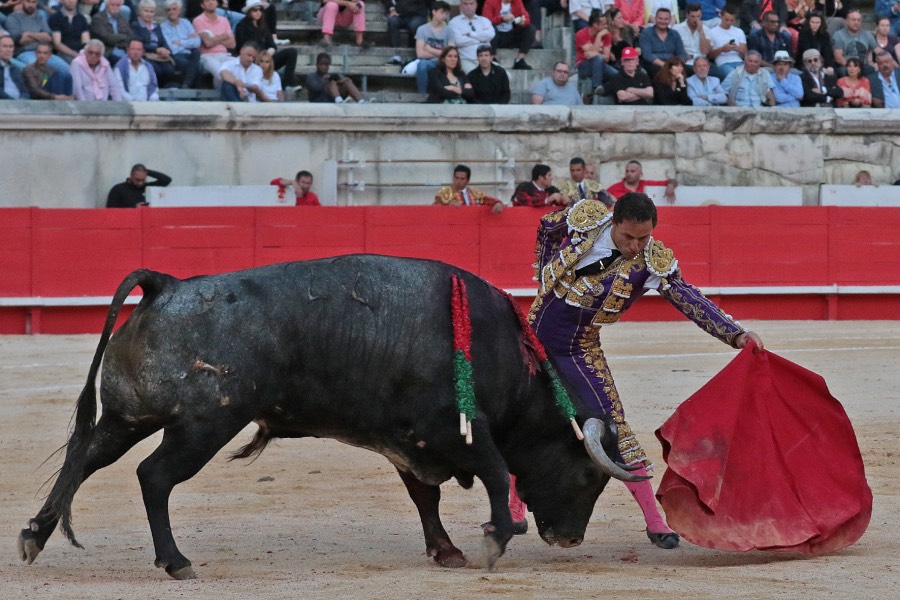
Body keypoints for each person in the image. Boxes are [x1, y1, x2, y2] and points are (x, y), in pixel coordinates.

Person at [520, 192, 763, 549]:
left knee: (614, 427)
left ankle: (653, 521)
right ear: (613, 222)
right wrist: (543, 276)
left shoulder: (652, 262)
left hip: (577, 350)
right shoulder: (586, 220)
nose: (636, 245)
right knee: (518, 421)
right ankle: (512, 511)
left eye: (643, 237)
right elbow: (546, 226)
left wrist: (735, 333)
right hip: (529, 340)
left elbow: (688, 298)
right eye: (628, 237)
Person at [235, 0, 298, 89]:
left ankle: (287, 84)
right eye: (255, 10)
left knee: (292, 52)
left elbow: (272, 45)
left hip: (267, 59)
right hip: (252, 61)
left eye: (260, 10)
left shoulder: (263, 26)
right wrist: (257, 56)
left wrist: (267, 55)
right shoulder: (241, 26)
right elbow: (241, 46)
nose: (258, 13)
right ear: (249, 11)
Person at [132, 0, 177, 87]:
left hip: (159, 56)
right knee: (156, 70)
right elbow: (138, 43)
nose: (149, 14)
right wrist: (156, 49)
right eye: (146, 11)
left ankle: (161, 89)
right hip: (145, 54)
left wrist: (166, 50)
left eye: (151, 11)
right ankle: (154, 89)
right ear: (140, 11)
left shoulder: (156, 26)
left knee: (169, 70)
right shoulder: (135, 25)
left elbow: (163, 41)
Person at [412, 0, 453, 95]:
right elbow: (420, 54)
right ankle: (423, 95)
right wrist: (442, 52)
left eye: (446, 13)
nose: (444, 16)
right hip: (428, 61)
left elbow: (451, 53)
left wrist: (430, 49)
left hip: (443, 61)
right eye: (442, 12)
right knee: (422, 65)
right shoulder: (422, 29)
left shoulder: (449, 31)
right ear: (433, 12)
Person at [576, 9, 618, 97]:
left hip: (601, 65)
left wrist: (595, 54)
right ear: (595, 25)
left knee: (617, 75)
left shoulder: (607, 35)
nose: (606, 27)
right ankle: (595, 87)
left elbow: (606, 58)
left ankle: (602, 90)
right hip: (583, 66)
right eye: (604, 24)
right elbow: (591, 56)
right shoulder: (581, 34)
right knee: (597, 58)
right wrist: (599, 36)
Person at [482, 0, 536, 70]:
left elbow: (526, 17)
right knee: (491, 27)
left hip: (511, 35)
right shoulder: (491, 1)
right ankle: (493, 58)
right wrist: (502, 19)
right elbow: (485, 21)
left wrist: (523, 22)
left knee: (530, 28)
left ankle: (520, 60)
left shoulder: (517, 2)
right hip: (495, 37)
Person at [160, 0, 202, 89]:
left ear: (179, 10)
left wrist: (180, 42)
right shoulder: (163, 26)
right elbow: (173, 48)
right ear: (166, 12)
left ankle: (186, 86)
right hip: (177, 56)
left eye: (174, 9)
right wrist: (188, 41)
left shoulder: (186, 23)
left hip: (191, 54)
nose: (171, 12)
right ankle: (188, 89)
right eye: (169, 10)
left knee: (197, 52)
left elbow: (197, 42)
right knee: (199, 68)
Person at [193, 0, 236, 82]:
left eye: (213, 0)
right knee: (221, 73)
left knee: (241, 69)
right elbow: (208, 43)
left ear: (217, 3)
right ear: (202, 5)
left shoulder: (224, 20)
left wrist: (214, 39)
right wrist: (223, 37)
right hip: (208, 56)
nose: (211, 2)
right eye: (207, 1)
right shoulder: (198, 20)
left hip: (225, 55)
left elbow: (232, 44)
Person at [639, 7, 686, 80]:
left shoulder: (675, 34)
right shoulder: (646, 33)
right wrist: (666, 66)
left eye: (666, 19)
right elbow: (647, 55)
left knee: (689, 71)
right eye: (660, 18)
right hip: (654, 65)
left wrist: (678, 66)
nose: (663, 21)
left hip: (673, 64)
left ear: (670, 20)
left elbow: (682, 53)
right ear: (655, 19)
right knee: (663, 74)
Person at [448, 0, 495, 73]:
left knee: (507, 76)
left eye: (471, 3)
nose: (468, 6)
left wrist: (471, 35)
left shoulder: (485, 21)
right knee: (477, 77)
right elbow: (458, 41)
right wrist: (482, 39)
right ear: (460, 6)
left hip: (487, 60)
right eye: (465, 4)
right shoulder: (454, 23)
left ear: (476, 5)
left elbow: (491, 35)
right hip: (467, 60)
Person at [434, 164, 504, 213]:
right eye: (457, 178)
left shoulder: (475, 193)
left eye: (462, 179)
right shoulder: (444, 194)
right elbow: (434, 209)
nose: (458, 181)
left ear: (468, 181)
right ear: (453, 177)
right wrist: (447, 207)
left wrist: (497, 203)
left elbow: (487, 200)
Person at [673, 3, 714, 74]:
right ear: (687, 15)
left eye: (698, 16)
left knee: (720, 74)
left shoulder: (706, 30)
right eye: (693, 16)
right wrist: (681, 52)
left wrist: (701, 31)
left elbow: (705, 51)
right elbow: (672, 47)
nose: (696, 19)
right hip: (685, 62)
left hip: (702, 63)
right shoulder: (677, 28)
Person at [832, 10, 876, 76]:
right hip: (846, 66)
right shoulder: (838, 35)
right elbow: (838, 58)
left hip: (863, 66)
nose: (856, 22)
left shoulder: (867, 34)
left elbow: (876, 50)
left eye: (859, 20)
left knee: (872, 69)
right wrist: (853, 67)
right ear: (847, 21)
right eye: (853, 20)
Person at [106, 163, 172, 208]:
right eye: (137, 180)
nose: (140, 183)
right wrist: (134, 208)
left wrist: (146, 171)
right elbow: (110, 211)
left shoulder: (147, 187)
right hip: (126, 224)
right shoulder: (118, 189)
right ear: (131, 175)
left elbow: (166, 180)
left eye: (143, 180)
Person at [607, 159, 676, 201]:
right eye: (627, 171)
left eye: (632, 171)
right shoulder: (614, 188)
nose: (629, 174)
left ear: (641, 173)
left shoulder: (648, 185)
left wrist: (670, 185)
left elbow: (672, 181)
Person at [707, 6, 747, 77]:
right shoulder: (712, 32)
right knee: (734, 75)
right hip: (723, 63)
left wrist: (737, 49)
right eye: (727, 20)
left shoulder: (739, 31)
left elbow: (745, 54)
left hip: (739, 61)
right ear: (721, 17)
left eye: (732, 20)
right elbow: (709, 55)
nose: (729, 23)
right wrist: (722, 49)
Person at [48, 0, 90, 64]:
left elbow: (86, 41)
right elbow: (57, 44)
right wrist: (76, 55)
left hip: (80, 54)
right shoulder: (55, 18)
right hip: (62, 54)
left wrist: (84, 55)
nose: (71, 1)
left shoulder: (82, 18)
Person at [0, 34, 26, 100]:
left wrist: (24, 100)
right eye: (5, 46)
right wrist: (13, 101)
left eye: (11, 47)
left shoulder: (16, 69)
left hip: (20, 105)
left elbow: (24, 91)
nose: (8, 49)